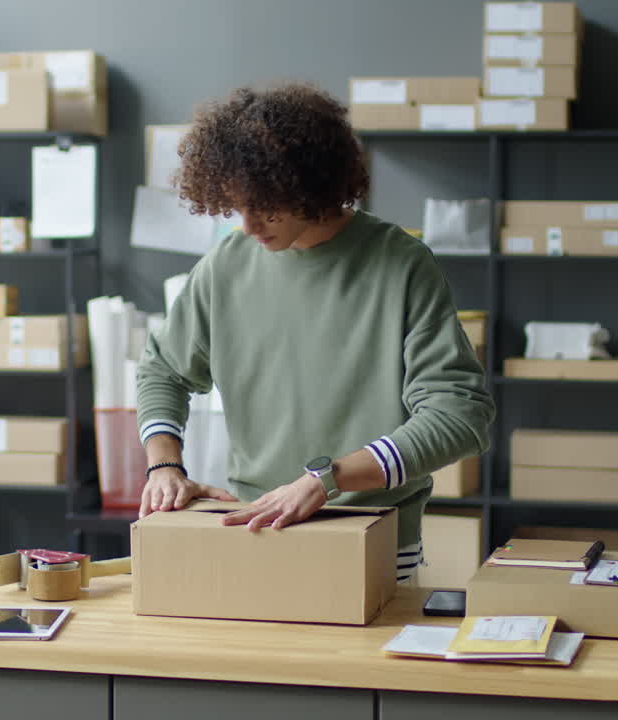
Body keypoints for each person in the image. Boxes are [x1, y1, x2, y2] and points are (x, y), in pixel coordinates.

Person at [135, 83, 494, 582]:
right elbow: (163, 369)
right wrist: (163, 465)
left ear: (310, 184)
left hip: (371, 537)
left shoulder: (401, 265)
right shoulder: (227, 264)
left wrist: (326, 481)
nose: (249, 225)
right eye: (237, 206)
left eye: (266, 206)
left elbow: (460, 415)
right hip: (255, 530)